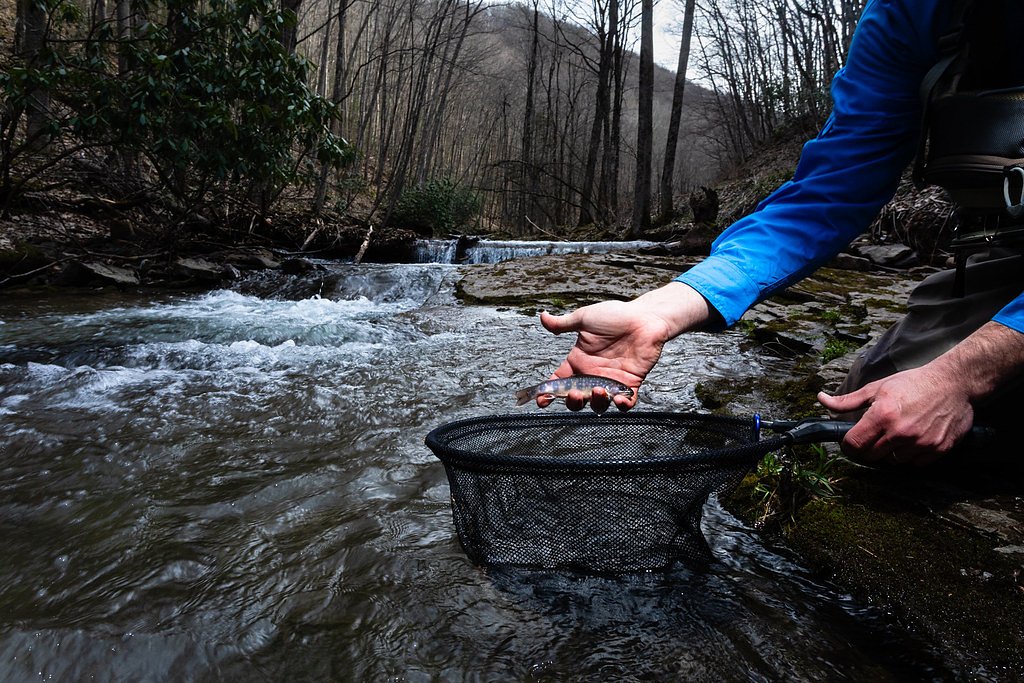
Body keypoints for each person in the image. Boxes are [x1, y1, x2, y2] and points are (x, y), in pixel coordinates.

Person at [533, 0, 1024, 466]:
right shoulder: (911, 13)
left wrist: (964, 374)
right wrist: (662, 308)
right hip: (1008, 252)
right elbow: (831, 190)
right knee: (877, 415)